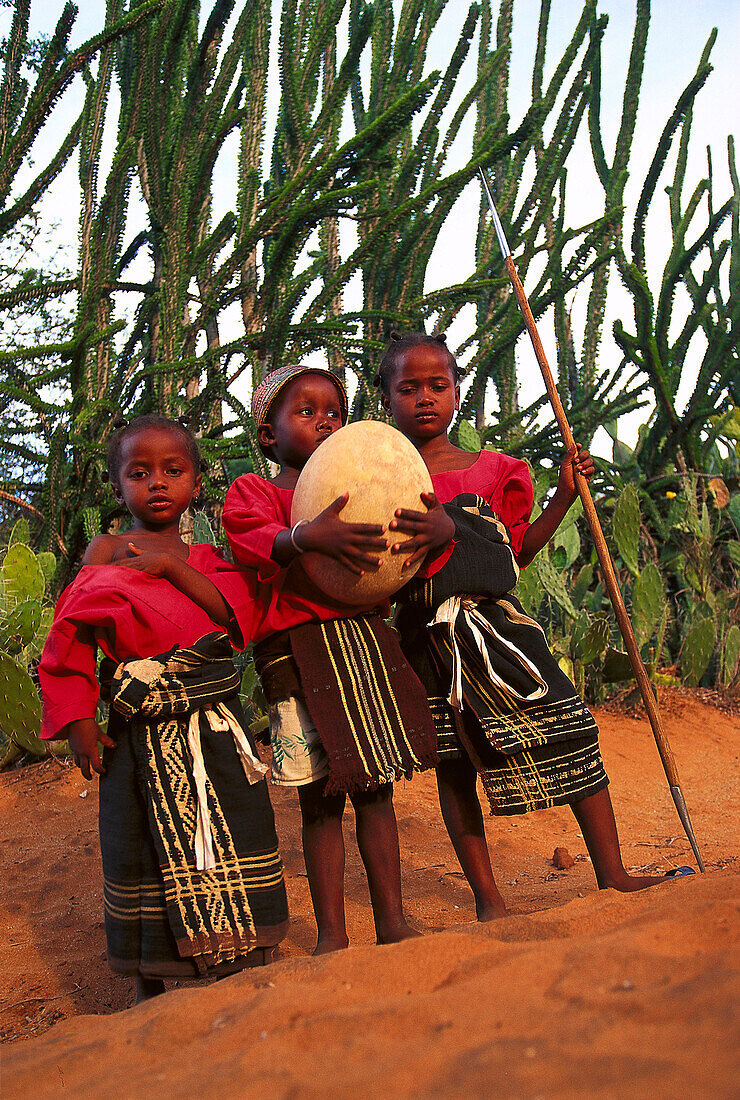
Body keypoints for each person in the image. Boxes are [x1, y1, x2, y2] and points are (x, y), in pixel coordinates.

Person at [377, 331, 691, 919]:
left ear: (457, 392)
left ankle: (612, 872)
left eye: (438, 386)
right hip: (424, 640)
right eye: (408, 387)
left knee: (571, 727)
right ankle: (487, 898)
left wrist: (564, 498)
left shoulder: (494, 470)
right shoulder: (378, 482)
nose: (425, 398)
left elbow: (514, 554)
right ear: (386, 399)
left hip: (499, 631)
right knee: (455, 764)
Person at [39, 415, 288, 1002]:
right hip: (137, 734)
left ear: (197, 483)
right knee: (143, 845)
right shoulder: (106, 550)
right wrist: (78, 719)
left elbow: (234, 621)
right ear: (118, 486)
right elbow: (68, 635)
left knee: (235, 834)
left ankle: (241, 962)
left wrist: (172, 568)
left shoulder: (209, 556)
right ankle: (156, 979)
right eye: (139, 472)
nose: (157, 483)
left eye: (173, 471)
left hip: (212, 730)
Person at [222, 364, 438, 954]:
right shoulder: (258, 493)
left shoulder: (363, 488)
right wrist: (305, 537)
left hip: (363, 644)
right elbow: (246, 539)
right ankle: (332, 935)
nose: (325, 422)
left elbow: (399, 552)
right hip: (297, 660)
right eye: (307, 411)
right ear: (268, 436)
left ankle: (391, 920)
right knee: (319, 799)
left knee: (377, 786)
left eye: (335, 413)